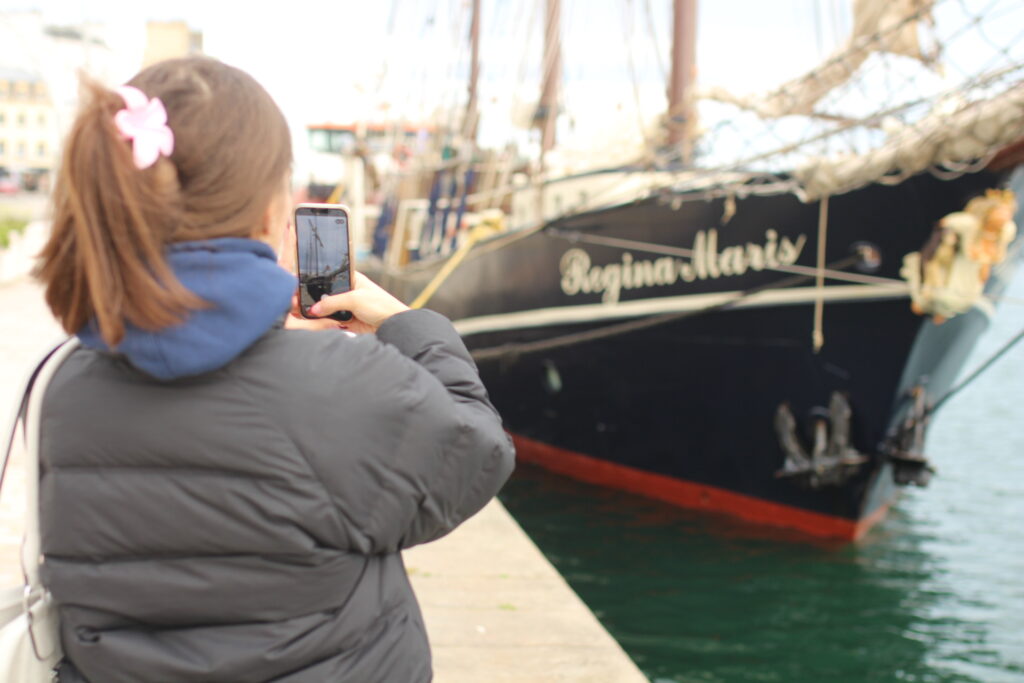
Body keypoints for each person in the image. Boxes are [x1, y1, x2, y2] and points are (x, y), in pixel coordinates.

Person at [33, 56, 515, 682]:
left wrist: (265, 338)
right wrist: (407, 324)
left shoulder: (65, 385)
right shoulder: (342, 384)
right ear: (269, 213)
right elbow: (477, 453)